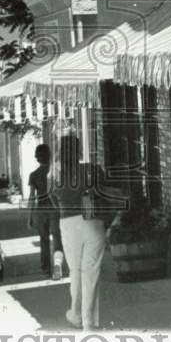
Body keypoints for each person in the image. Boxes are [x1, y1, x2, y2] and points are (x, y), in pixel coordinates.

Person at [50, 134, 108, 330]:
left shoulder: (55, 175)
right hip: (93, 222)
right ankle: (89, 322)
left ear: (60, 151)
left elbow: (53, 202)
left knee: (75, 271)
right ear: (79, 151)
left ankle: (75, 315)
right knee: (91, 272)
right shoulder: (92, 170)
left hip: (68, 223)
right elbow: (105, 193)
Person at [28, 144, 64, 278]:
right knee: (57, 238)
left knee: (43, 240)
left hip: (41, 211)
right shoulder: (56, 173)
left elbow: (32, 197)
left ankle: (45, 269)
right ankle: (57, 265)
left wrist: (30, 216)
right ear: (49, 156)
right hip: (55, 210)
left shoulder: (33, 175)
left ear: (37, 158)